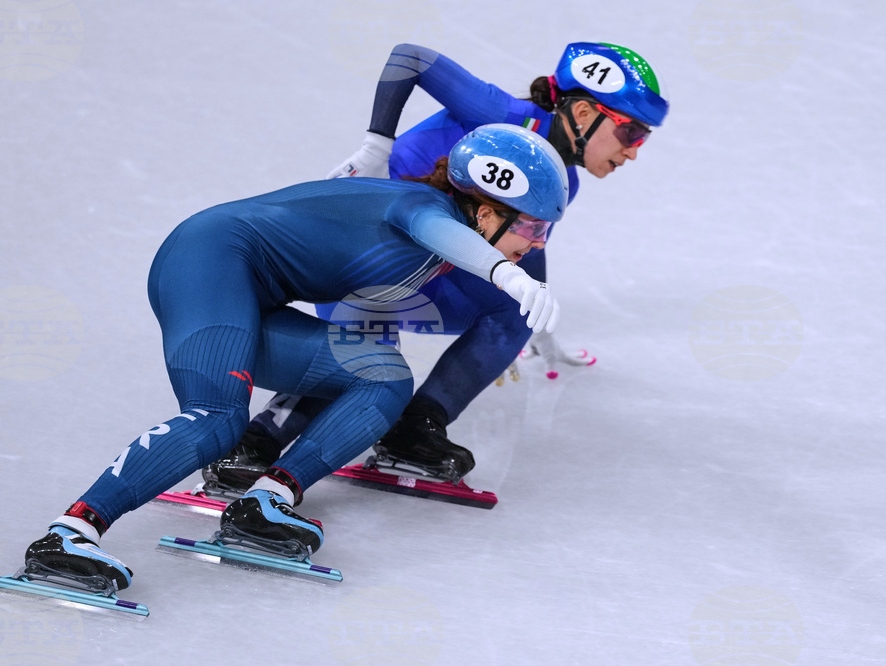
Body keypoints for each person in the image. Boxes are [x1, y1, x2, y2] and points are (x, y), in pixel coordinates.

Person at [22, 124, 569, 592]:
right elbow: (441, 232)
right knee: (218, 418)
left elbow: (367, 316)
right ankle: (69, 533)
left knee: (382, 376)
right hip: (208, 260)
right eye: (532, 227)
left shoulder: (431, 250)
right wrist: (506, 275)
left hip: (245, 292)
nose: (538, 243)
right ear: (484, 208)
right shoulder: (423, 208)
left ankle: (265, 500)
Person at [203, 42, 669, 492]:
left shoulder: (562, 177)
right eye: (633, 133)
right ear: (584, 114)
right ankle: (260, 437)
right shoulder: (502, 115)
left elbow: (523, 262)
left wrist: (539, 326)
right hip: (369, 261)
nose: (634, 151)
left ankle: (415, 426)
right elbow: (412, 57)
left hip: (425, 270)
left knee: (512, 313)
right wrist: (375, 147)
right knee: (364, 366)